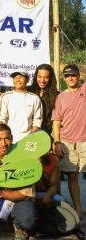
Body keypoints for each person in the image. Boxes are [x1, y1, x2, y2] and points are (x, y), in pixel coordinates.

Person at [51, 64, 86, 220]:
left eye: (73, 75)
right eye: (67, 76)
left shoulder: (84, 90)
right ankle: (78, 210)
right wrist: (57, 142)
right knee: (71, 177)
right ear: (63, 78)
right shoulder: (61, 97)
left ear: (79, 76)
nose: (71, 78)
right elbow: (56, 121)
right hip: (67, 142)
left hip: (84, 141)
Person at [0, 69, 43, 143]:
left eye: (20, 77)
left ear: (27, 80)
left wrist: (32, 138)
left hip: (28, 140)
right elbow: (1, 119)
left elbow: (37, 121)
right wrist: (1, 139)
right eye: (15, 77)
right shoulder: (6, 97)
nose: (17, 80)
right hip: (9, 140)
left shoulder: (34, 98)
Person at [29, 64, 58, 136]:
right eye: (39, 77)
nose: (42, 80)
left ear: (50, 78)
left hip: (46, 135)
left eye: (46, 77)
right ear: (36, 76)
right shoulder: (28, 92)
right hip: (28, 134)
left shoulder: (57, 96)